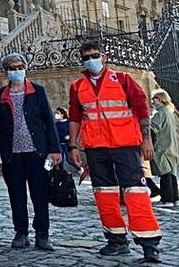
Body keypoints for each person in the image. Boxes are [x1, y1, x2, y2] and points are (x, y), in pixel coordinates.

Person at [68, 42, 162, 262]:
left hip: (125, 145)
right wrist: (73, 146)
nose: (91, 60)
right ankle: (116, 240)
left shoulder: (123, 79)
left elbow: (141, 109)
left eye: (94, 55)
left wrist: (146, 139)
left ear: (104, 57)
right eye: (86, 57)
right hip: (96, 147)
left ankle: (149, 244)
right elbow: (75, 118)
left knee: (136, 192)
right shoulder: (77, 87)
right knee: (104, 194)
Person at [0, 53, 61, 251]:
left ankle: (42, 233)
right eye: (12, 68)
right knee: (16, 195)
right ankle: (20, 232)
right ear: (6, 71)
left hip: (36, 151)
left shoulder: (37, 91)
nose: (17, 71)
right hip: (12, 153)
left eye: (20, 67)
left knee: (40, 194)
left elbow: (48, 120)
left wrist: (54, 149)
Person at [150, 89, 178, 207]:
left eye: (154, 99)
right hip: (172, 146)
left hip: (162, 146)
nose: (153, 102)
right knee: (171, 173)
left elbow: (152, 129)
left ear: (160, 99)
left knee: (164, 173)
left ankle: (167, 200)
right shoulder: (170, 113)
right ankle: (174, 198)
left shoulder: (160, 113)